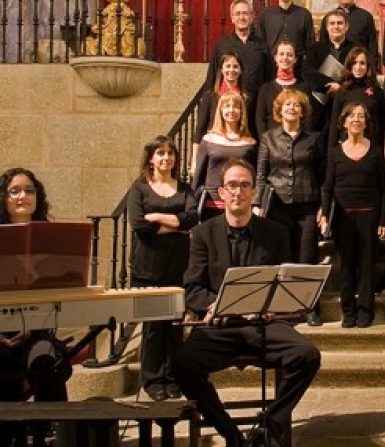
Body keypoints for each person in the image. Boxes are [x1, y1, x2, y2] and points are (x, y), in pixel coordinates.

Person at [173, 159, 321, 447]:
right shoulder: (203, 233)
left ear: (254, 192)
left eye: (244, 185)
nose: (238, 191)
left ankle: (268, 426)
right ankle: (232, 436)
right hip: (220, 326)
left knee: (308, 355)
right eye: (232, 185)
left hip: (262, 325)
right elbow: (192, 288)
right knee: (182, 364)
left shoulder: (275, 232)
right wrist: (216, 305)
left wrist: (271, 309)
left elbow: (283, 284)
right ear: (221, 192)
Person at [0, 169, 70, 447]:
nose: (23, 196)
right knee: (2, 359)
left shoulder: (49, 238)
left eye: (29, 190)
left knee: (50, 357)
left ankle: (56, 432)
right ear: (3, 198)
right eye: (14, 191)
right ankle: (8, 433)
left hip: (35, 332)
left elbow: (55, 295)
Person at [127, 136, 198, 401]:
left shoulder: (185, 187)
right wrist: (176, 225)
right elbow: (138, 225)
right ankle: (153, 380)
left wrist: (156, 217)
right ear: (151, 158)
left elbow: (192, 218)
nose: (166, 158)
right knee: (153, 328)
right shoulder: (140, 188)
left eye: (170, 153)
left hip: (178, 265)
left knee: (174, 326)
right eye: (160, 153)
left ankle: (173, 378)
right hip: (148, 266)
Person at [255, 89, 324, 325]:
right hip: (278, 206)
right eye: (287, 105)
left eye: (296, 105)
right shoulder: (268, 138)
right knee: (283, 257)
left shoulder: (314, 138)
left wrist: (323, 208)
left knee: (307, 258)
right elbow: (262, 174)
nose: (292, 109)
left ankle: (311, 307)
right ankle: (284, 309)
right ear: (280, 110)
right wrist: (257, 203)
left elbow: (322, 175)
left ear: (302, 111)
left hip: (307, 205)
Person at [319, 103, 385, 328]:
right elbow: (328, 186)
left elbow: (383, 189)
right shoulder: (335, 152)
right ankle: (348, 311)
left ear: (366, 123)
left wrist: (384, 219)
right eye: (352, 116)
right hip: (342, 217)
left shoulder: (376, 150)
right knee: (346, 264)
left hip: (369, 214)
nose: (356, 119)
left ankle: (366, 310)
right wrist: (325, 214)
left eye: (361, 116)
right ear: (344, 121)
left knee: (367, 265)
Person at [192, 91, 257, 220]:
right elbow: (198, 177)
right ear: (220, 110)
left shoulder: (251, 143)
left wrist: (255, 203)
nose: (231, 110)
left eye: (236, 106)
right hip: (212, 205)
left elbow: (254, 176)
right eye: (227, 106)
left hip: (240, 204)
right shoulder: (209, 139)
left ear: (241, 111)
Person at [192, 52, 246, 176]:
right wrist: (194, 160)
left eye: (235, 66)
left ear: (241, 70)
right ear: (221, 69)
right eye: (227, 66)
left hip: (238, 150)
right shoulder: (210, 96)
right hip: (215, 151)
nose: (231, 70)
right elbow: (200, 128)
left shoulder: (246, 98)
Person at [302, 9, 357, 132]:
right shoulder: (315, 48)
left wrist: (340, 88)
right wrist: (330, 84)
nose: (336, 27)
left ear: (346, 26)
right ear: (327, 27)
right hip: (319, 107)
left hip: (346, 104)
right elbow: (307, 73)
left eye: (339, 23)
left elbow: (358, 75)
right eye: (332, 23)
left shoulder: (355, 49)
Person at [206, 0, 272, 97]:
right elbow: (212, 79)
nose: (241, 17)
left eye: (245, 13)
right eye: (237, 14)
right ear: (232, 18)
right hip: (229, 105)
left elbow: (269, 79)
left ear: (252, 16)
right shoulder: (222, 46)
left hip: (256, 106)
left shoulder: (263, 46)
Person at [327, 47, 385, 147]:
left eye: (362, 63)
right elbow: (334, 128)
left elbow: (383, 126)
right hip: (346, 148)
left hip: (371, 148)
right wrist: (331, 158)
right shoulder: (342, 92)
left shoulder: (377, 92)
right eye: (354, 63)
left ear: (368, 66)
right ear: (349, 65)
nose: (358, 67)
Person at [255, 39, 315, 137]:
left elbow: (308, 118)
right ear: (275, 58)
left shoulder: (304, 88)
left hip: (298, 142)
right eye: (281, 54)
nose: (285, 58)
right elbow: (260, 120)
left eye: (289, 55)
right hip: (271, 143)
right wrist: (266, 142)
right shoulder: (265, 88)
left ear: (295, 59)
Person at [257, 0, 315, 69]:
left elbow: (310, 45)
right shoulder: (265, 14)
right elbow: (260, 43)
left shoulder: (304, 14)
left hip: (298, 69)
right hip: (271, 68)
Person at [320, 0, 379, 64]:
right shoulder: (329, 18)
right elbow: (322, 46)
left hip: (358, 68)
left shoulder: (366, 17)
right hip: (334, 68)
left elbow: (372, 48)